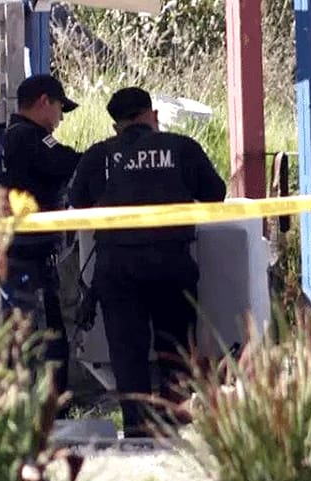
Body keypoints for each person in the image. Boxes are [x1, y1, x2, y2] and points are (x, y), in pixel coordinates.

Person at [69, 87, 226, 437]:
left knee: (128, 352)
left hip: (117, 267)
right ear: (152, 115)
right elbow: (215, 193)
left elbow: (77, 201)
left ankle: (137, 429)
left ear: (116, 126)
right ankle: (176, 423)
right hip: (171, 262)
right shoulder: (181, 148)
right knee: (176, 347)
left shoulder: (100, 155)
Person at [0, 74, 82, 404]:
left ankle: (28, 407)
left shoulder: (9, 138)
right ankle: (48, 411)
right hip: (31, 257)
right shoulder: (29, 137)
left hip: (18, 254)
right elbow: (67, 162)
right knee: (47, 342)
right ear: (45, 101)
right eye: (60, 109)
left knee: (25, 336)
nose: (60, 119)